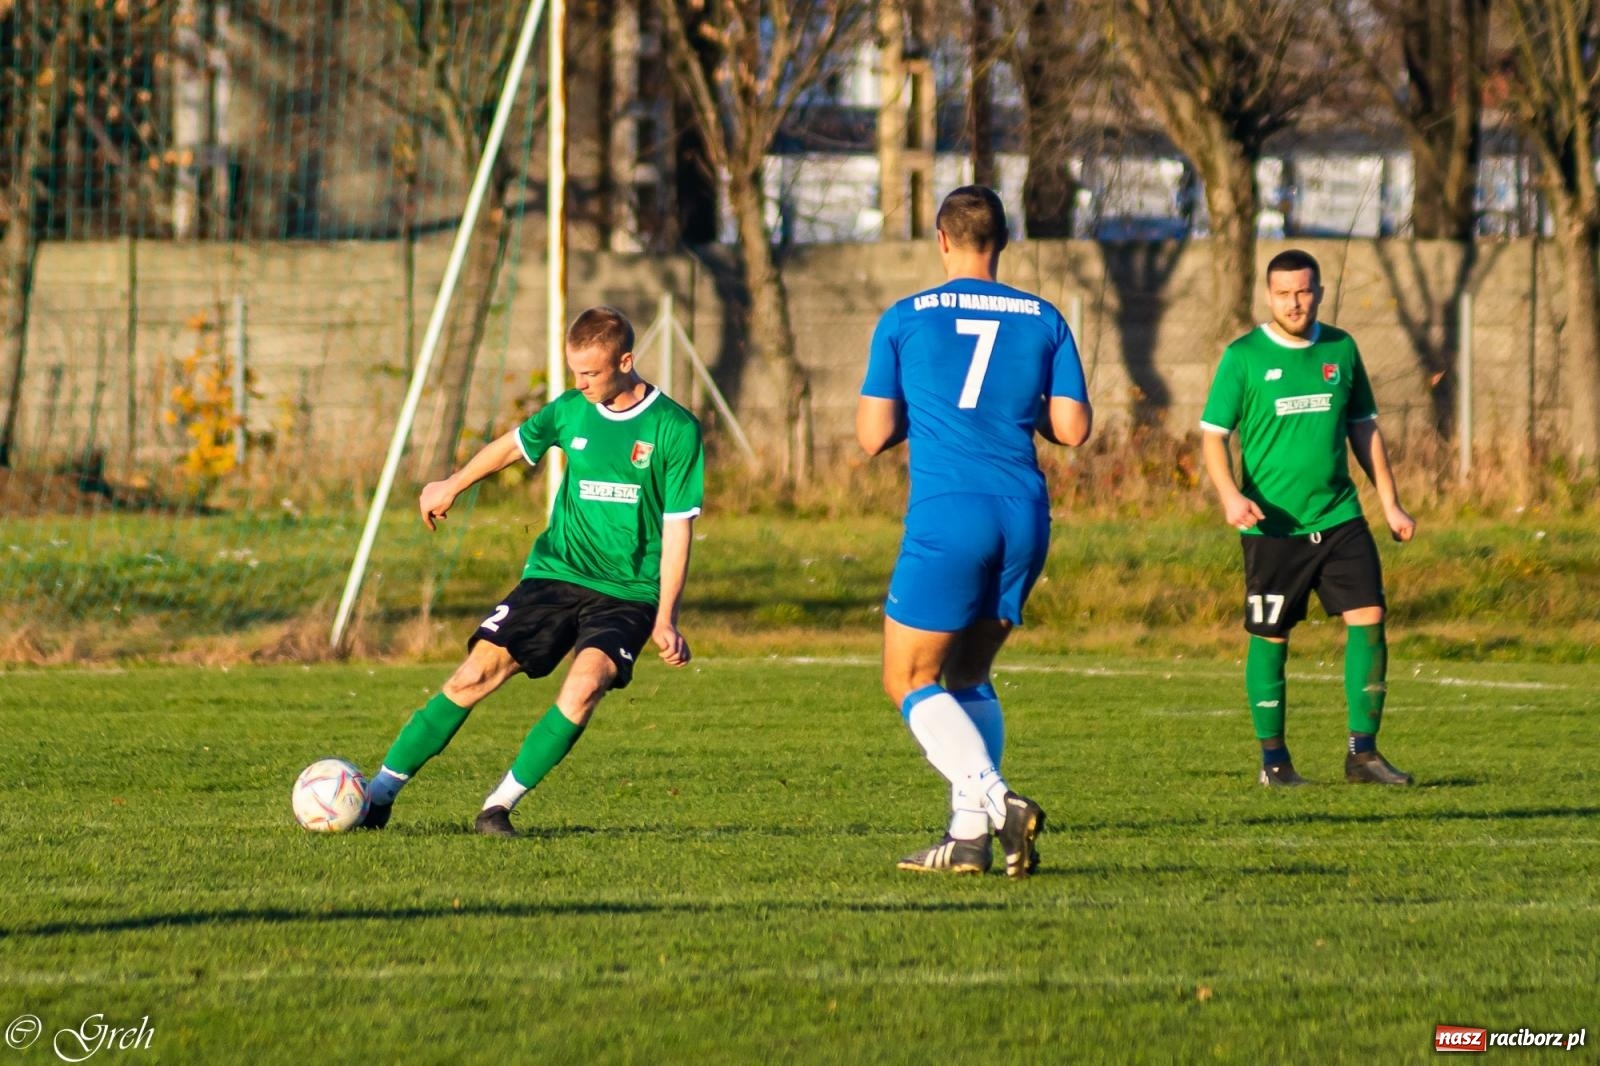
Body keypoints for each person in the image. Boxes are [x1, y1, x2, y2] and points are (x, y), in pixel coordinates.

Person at [362, 306, 704, 835]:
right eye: (575, 372)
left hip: (629, 592)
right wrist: (451, 485)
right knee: (474, 674)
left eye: (591, 372)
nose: (580, 383)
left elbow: (678, 527)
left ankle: (497, 806)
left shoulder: (675, 429)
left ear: (626, 361)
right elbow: (511, 447)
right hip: (555, 574)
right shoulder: (571, 409)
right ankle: (379, 795)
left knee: (585, 684)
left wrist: (666, 617)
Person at [856, 186, 1092, 878]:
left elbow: (872, 436)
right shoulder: (1044, 317)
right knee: (968, 673)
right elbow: (1073, 430)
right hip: (1023, 513)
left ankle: (997, 801)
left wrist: (918, 411)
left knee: (906, 677)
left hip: (949, 510)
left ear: (941, 238)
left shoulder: (904, 319)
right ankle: (967, 843)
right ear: (1003, 241)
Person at [1200, 249, 1416, 788]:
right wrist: (1229, 496)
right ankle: (1274, 762)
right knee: (1271, 636)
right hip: (1273, 527)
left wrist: (1388, 501)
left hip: (1340, 516)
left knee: (1368, 617)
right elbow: (1212, 436)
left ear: (1318, 291)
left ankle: (1362, 754)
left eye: (1303, 291)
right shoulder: (1244, 356)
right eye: (1283, 293)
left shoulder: (1341, 348)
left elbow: (1363, 428)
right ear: (1268, 295)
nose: (1294, 303)